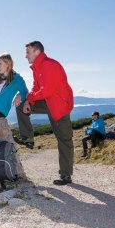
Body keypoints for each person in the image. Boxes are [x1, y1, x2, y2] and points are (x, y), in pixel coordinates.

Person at [14, 41, 74, 185]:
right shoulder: (37, 67)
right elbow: (36, 87)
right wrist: (28, 101)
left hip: (59, 106)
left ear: (37, 52)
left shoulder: (49, 65)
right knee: (20, 105)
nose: (25, 56)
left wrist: (30, 98)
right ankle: (27, 138)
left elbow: (47, 90)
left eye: (28, 52)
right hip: (47, 102)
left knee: (64, 140)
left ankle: (66, 175)